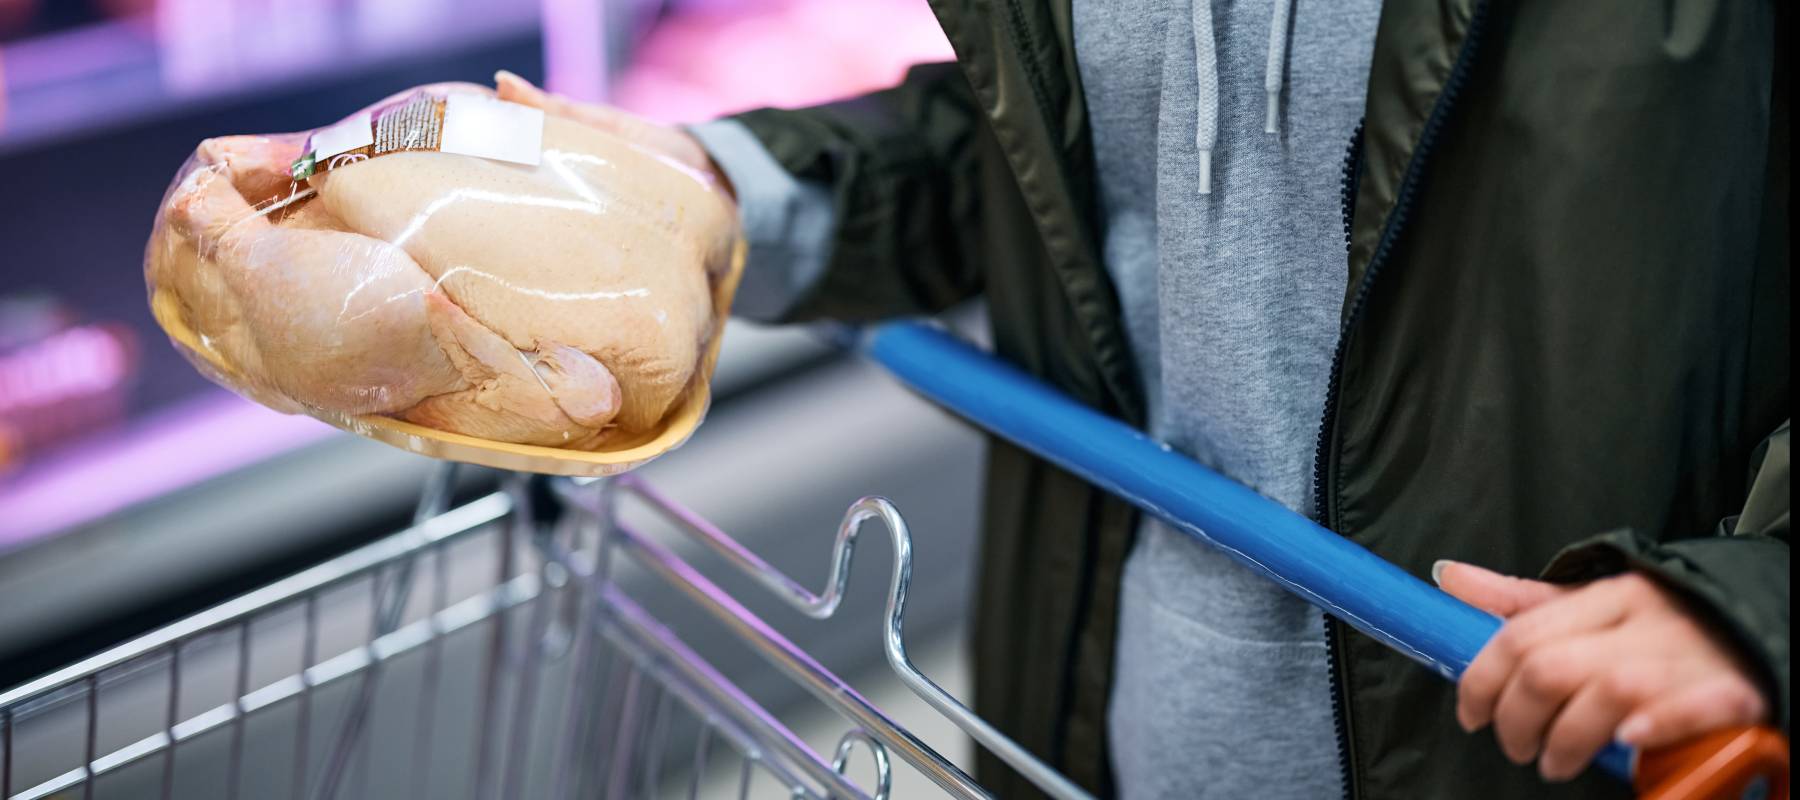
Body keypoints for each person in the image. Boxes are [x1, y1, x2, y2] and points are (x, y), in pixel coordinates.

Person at [501, 0, 1789, 797]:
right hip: (1086, 739)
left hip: (1550, 753)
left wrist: (1759, 607)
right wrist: (720, 192)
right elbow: (1059, 157)